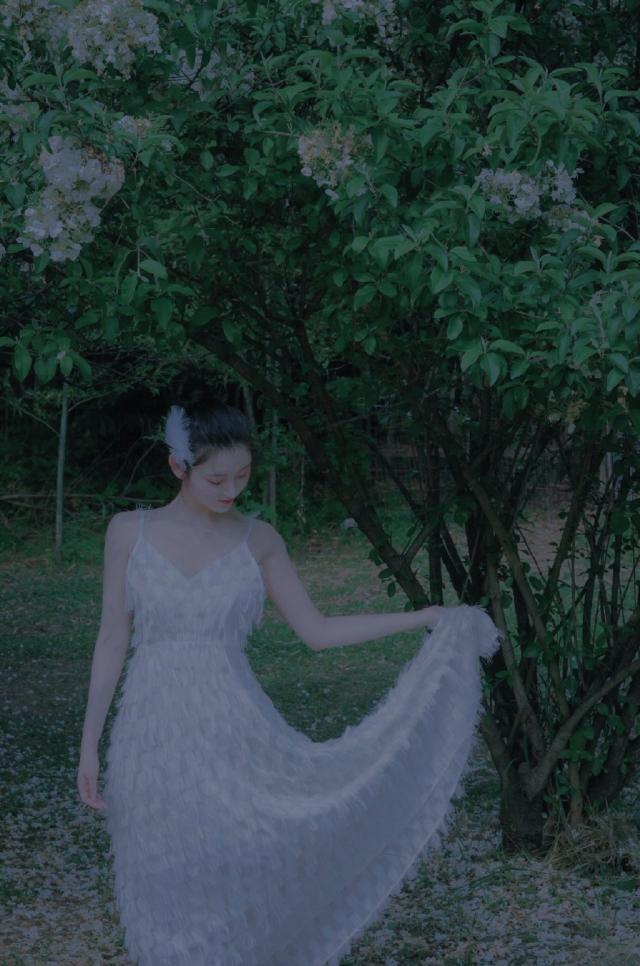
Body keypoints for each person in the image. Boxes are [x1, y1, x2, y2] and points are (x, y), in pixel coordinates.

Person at [77, 399, 501, 966]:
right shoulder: (129, 531)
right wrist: (89, 745)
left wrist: (422, 618)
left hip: (234, 731)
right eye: (216, 479)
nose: (232, 490)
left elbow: (317, 631)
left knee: (234, 867)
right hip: (150, 737)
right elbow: (112, 638)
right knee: (161, 877)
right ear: (179, 466)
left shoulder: (259, 539)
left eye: (243, 475)